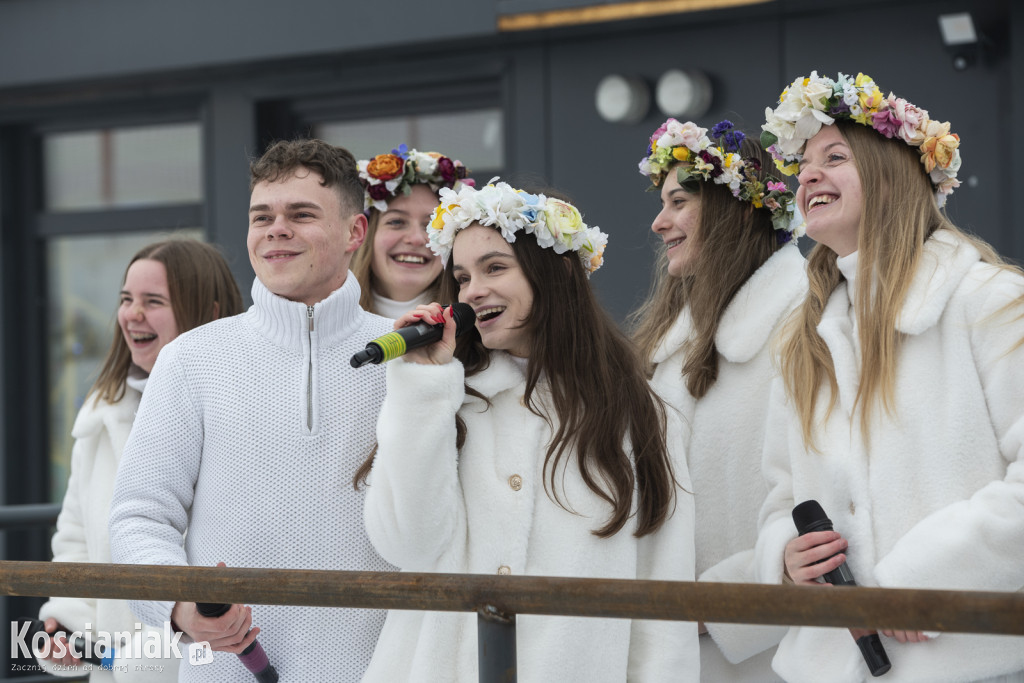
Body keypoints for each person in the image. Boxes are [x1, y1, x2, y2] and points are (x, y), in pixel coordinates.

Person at [361, 181, 699, 681]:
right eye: (462, 276)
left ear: (555, 271)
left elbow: (663, 602)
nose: (473, 289)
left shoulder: (639, 413)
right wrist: (421, 384)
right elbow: (405, 545)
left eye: (495, 267)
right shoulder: (443, 397)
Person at [755, 71, 1024, 682]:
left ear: (892, 173)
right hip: (822, 669)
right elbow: (779, 500)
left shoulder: (991, 302)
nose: (808, 176)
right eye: (804, 166)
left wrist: (927, 577)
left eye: (835, 156)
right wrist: (787, 559)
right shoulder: (804, 340)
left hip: (964, 663)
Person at [109, 139, 395, 682]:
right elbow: (139, 516)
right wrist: (179, 606)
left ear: (355, 233)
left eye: (301, 214)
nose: (275, 229)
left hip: (384, 671)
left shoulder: (409, 358)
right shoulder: (191, 359)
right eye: (261, 216)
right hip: (228, 672)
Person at [633, 118, 807, 681]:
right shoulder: (671, 341)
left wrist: (715, 609)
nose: (659, 222)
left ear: (732, 207)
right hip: (672, 641)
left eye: (678, 201)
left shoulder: (802, 323)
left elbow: (822, 493)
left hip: (764, 653)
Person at [33, 239, 242, 681]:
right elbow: (74, 541)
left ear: (209, 312)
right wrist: (70, 625)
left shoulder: (240, 411)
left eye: (153, 301)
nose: (132, 314)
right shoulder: (101, 413)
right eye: (127, 299)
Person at [352, 145, 472, 317]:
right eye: (396, 222)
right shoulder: (321, 322)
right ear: (364, 233)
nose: (416, 239)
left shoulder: (477, 332)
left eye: (432, 224)